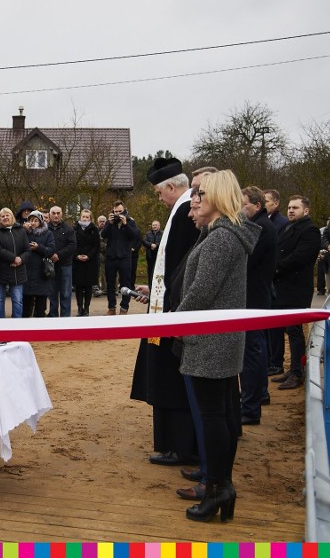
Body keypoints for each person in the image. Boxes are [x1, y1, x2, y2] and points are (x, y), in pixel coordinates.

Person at [176, 170, 259, 522]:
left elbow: (200, 293)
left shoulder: (222, 238)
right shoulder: (222, 235)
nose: (195, 199)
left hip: (210, 341)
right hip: (218, 339)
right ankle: (220, 487)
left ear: (219, 197)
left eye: (201, 194)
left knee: (215, 417)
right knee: (221, 414)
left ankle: (219, 488)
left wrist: (172, 322)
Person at [130, 157, 201, 467]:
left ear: (172, 187)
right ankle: (172, 443)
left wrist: (168, 299)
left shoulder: (186, 213)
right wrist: (155, 290)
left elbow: (185, 268)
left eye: (159, 193)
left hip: (173, 314)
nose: (159, 200)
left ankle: (179, 446)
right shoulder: (181, 210)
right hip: (166, 306)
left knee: (170, 379)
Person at [268, 195, 321, 390]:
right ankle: (293, 369)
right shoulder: (289, 227)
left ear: (305, 211)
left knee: (295, 331)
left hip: (296, 287)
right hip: (284, 286)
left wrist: (276, 269)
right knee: (289, 330)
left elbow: (300, 257)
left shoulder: (310, 230)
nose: (290, 211)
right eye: (289, 207)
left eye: (295, 208)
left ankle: (298, 372)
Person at [239, 186, 278, 426]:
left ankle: (251, 406)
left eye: (243, 204)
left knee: (251, 353)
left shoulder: (261, 227)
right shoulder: (263, 225)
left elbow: (246, 261)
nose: (240, 209)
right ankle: (258, 395)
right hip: (257, 295)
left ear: (256, 205)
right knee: (256, 349)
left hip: (253, 297)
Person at [101, 200, 141, 315]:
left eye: (120, 211)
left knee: (126, 283)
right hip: (111, 257)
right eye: (116, 211)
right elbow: (103, 235)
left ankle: (124, 307)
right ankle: (111, 307)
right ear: (113, 211)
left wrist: (125, 224)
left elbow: (135, 235)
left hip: (124, 257)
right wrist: (109, 223)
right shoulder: (110, 222)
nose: (118, 213)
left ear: (124, 210)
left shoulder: (130, 221)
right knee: (110, 283)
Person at [0, 207, 31, 318]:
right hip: (1, 271)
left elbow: (27, 250)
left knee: (17, 300)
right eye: (2, 216)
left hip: (18, 271)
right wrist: (14, 258)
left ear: (12, 216)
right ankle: (1, 324)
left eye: (7, 215)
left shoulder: (21, 231)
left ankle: (16, 325)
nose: (5, 217)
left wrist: (20, 260)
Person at [22, 211, 55, 318]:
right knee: (26, 306)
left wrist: (38, 247)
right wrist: (23, 230)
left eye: (36, 220)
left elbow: (51, 250)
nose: (33, 223)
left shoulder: (48, 233)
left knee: (40, 307)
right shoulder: (24, 232)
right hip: (27, 272)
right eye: (31, 220)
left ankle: (40, 330)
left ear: (40, 222)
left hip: (42, 273)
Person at [47, 206, 77, 317]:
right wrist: (50, 255)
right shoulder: (46, 229)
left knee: (66, 293)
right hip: (50, 266)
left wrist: (58, 255)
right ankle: (53, 317)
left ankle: (65, 319)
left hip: (65, 265)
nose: (56, 215)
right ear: (50, 215)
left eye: (58, 213)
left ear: (61, 214)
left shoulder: (68, 229)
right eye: (53, 213)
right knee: (52, 293)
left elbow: (72, 245)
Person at [73, 209, 99, 317]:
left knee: (88, 287)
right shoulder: (74, 229)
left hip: (90, 262)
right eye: (83, 216)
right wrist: (77, 255)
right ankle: (80, 308)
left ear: (90, 218)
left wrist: (88, 256)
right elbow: (72, 244)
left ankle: (87, 308)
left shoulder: (94, 229)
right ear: (80, 217)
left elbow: (96, 246)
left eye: (87, 217)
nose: (85, 218)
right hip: (78, 261)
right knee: (79, 287)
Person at [143, 221, 163, 287]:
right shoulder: (148, 233)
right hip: (150, 255)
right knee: (150, 271)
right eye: (153, 225)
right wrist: (150, 245)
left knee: (158, 271)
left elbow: (163, 242)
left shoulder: (163, 233)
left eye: (155, 225)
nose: (154, 226)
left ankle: (158, 285)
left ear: (159, 226)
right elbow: (144, 241)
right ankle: (150, 285)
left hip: (159, 255)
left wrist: (156, 245)